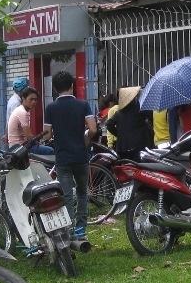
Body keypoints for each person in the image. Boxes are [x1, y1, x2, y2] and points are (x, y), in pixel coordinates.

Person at [43, 71, 97, 240]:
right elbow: (93, 129)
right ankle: (81, 229)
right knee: (82, 193)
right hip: (81, 155)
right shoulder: (83, 105)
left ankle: (70, 230)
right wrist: (86, 139)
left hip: (62, 158)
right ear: (72, 86)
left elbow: (46, 134)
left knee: (66, 195)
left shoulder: (50, 108)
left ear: (55, 89)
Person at [106, 86, 154, 162]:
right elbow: (151, 117)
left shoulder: (119, 113)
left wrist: (119, 134)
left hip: (123, 147)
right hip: (139, 146)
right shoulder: (139, 109)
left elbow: (109, 124)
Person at [8, 87, 53, 154]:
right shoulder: (22, 112)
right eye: (31, 99)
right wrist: (39, 142)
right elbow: (29, 136)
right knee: (50, 150)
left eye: (35, 100)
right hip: (21, 148)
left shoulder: (19, 110)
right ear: (23, 98)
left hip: (17, 146)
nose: (34, 102)